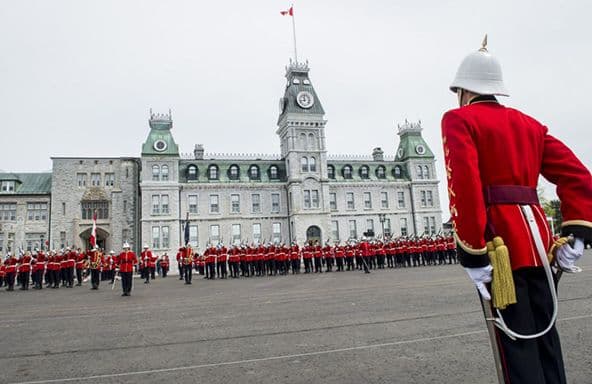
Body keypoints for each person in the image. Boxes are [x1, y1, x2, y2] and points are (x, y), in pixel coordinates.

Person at [442, 36, 592, 384]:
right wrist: (577, 235)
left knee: (517, 344)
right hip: (539, 244)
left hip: (500, 247)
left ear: (464, 90)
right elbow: (578, 176)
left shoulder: (459, 120)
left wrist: (474, 253)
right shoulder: (530, 125)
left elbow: (463, 186)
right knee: (546, 339)